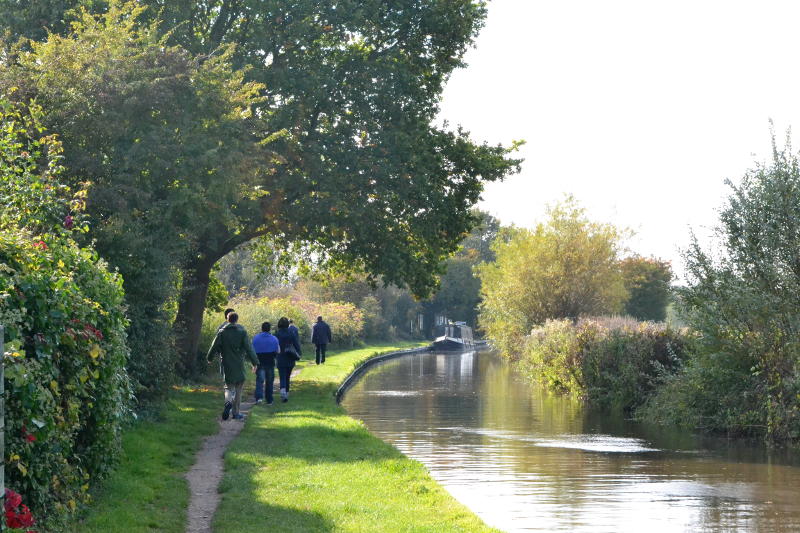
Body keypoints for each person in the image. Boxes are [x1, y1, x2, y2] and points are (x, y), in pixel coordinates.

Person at [207, 312, 258, 420]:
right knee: (239, 389)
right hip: (239, 364)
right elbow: (249, 348)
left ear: (227, 319)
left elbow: (214, 347)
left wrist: (209, 358)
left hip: (226, 363)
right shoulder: (242, 332)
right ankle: (236, 413)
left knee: (228, 387)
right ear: (237, 320)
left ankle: (228, 402)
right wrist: (255, 362)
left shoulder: (221, 332)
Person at [275, 316, 302, 403]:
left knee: (282, 375)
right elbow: (296, 344)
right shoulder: (291, 333)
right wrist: (299, 353)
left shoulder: (277, 334)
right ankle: (286, 392)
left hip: (280, 357)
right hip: (290, 357)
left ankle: (283, 391)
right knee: (288, 376)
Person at [252, 321, 279, 405]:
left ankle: (259, 398)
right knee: (269, 381)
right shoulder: (274, 338)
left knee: (260, 380)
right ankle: (269, 400)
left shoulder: (255, 338)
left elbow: (252, 351)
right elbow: (278, 351)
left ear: (262, 328)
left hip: (259, 361)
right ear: (269, 329)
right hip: (270, 362)